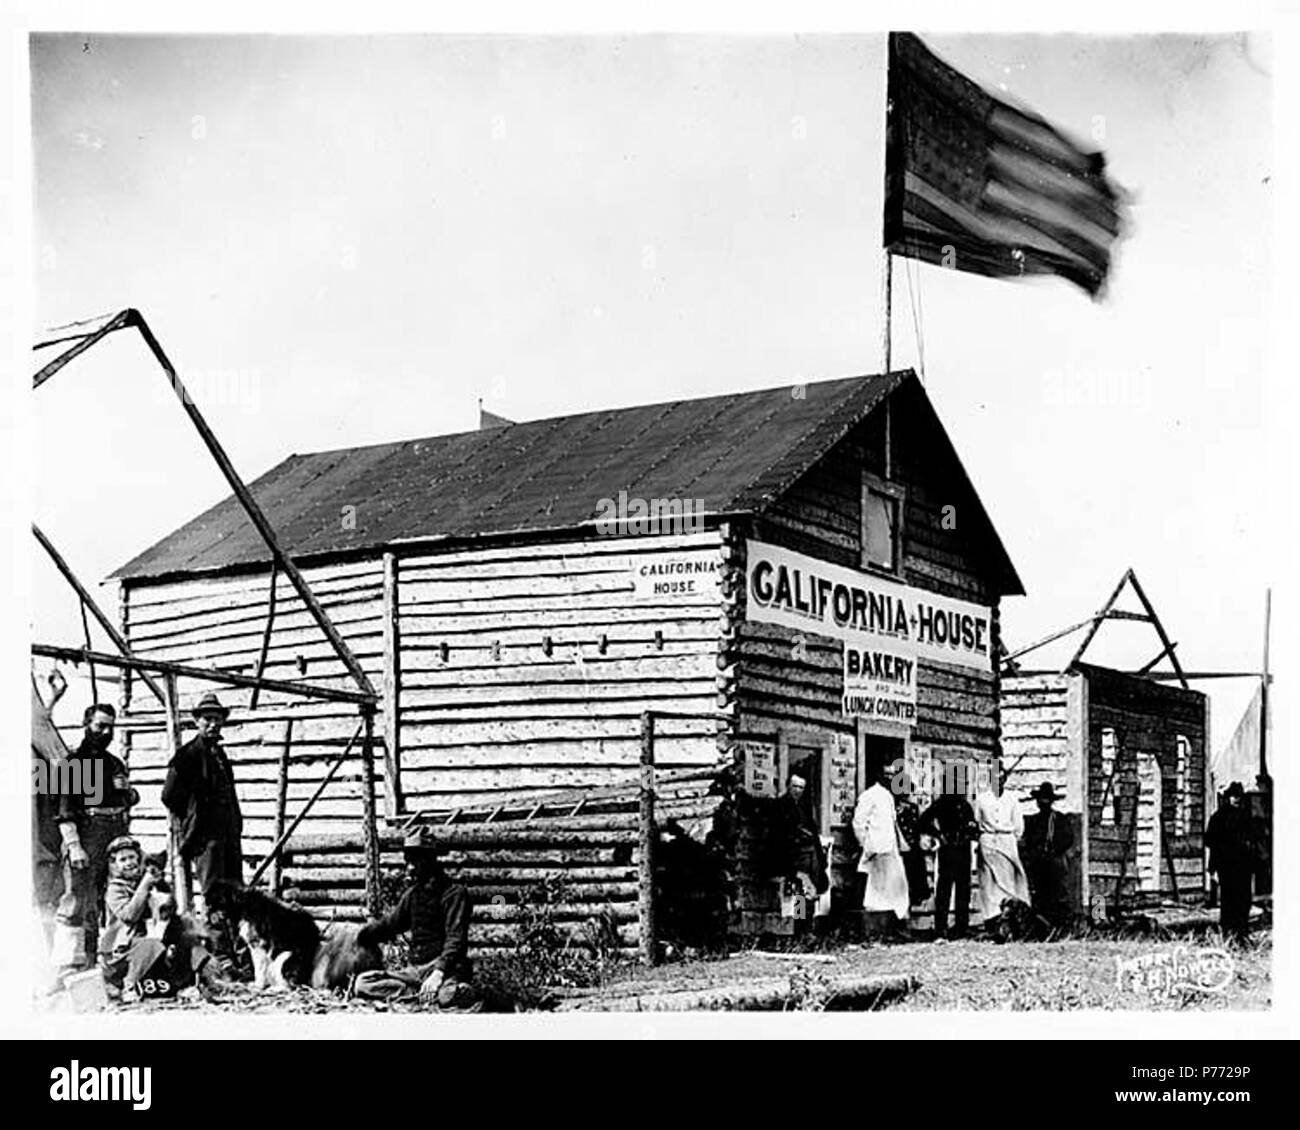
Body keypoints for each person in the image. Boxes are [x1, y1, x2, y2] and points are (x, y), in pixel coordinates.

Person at [51, 703, 140, 977]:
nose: (106, 732)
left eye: (111, 727)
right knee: (78, 898)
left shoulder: (114, 763)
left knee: (113, 897)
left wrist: (129, 793)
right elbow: (64, 809)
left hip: (115, 835)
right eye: (100, 726)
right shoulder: (73, 763)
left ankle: (109, 962)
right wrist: (74, 845)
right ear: (86, 724)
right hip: (87, 835)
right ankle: (70, 965)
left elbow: (125, 801)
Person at [352, 831, 478, 1009]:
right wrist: (361, 934)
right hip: (414, 971)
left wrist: (438, 973)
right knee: (362, 983)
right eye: (408, 860)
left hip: (444, 968)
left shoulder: (454, 894)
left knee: (449, 996)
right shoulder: (412, 895)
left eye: (416, 860)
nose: (410, 867)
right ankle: (420, 995)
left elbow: (456, 940)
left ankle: (445, 992)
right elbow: (390, 925)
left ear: (431, 860)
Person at [98, 835, 223, 1002]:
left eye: (132, 858)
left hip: (150, 940)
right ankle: (130, 985)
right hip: (123, 949)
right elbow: (129, 915)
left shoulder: (148, 880)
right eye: (123, 860)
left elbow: (170, 910)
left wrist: (161, 885)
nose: (129, 863)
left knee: (188, 939)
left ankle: (203, 980)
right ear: (115, 864)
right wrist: (145, 885)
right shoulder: (115, 889)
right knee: (152, 944)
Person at [162, 693, 243, 906]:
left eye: (217, 719)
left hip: (229, 836)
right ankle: (213, 938)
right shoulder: (188, 755)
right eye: (207, 719)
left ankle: (230, 938)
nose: (213, 724)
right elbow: (169, 795)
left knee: (235, 892)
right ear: (197, 721)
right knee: (214, 895)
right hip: (206, 839)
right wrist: (193, 816)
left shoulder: (219, 754)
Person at [851, 764, 910, 934]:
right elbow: (859, 823)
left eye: (893, 775)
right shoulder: (869, 795)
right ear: (879, 775)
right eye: (887, 775)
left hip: (890, 850)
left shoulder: (889, 797)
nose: (890, 778)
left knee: (897, 887)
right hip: (875, 850)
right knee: (875, 892)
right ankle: (876, 929)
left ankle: (895, 926)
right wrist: (867, 844)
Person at [918, 787, 979, 939]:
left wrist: (971, 830)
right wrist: (939, 835)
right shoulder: (941, 804)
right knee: (944, 889)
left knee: (963, 888)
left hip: (963, 849)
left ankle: (961, 927)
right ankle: (941, 928)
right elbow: (923, 822)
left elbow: (973, 826)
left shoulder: (965, 806)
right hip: (948, 849)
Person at [974, 771, 1029, 923]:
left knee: (1007, 880)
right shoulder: (982, 799)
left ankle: (1009, 919)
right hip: (988, 840)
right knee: (989, 882)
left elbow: (1018, 826)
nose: (998, 782)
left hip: (1006, 841)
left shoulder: (1012, 800)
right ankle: (992, 920)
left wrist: (1010, 839)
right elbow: (977, 821)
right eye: (995, 778)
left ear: (1005, 780)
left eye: (1001, 779)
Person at [1205, 781, 1256, 943]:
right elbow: (1211, 843)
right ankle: (1228, 935)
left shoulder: (1245, 818)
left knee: (1244, 900)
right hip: (1226, 866)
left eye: (1239, 797)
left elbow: (1254, 842)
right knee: (1228, 900)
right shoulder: (1218, 817)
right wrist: (1212, 869)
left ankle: (1241, 933)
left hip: (1243, 866)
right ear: (1227, 797)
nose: (1236, 800)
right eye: (1233, 796)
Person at [1021, 782, 1075, 931]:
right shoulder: (1032, 821)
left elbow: (1067, 839)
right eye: (1040, 800)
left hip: (1054, 862)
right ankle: (1042, 927)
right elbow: (1027, 841)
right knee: (1039, 894)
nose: (1043, 803)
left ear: (1051, 801)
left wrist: (1053, 850)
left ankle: (1059, 926)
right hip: (1037, 863)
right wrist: (1034, 853)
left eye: (1046, 799)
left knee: (1056, 894)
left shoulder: (1059, 819)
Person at [772, 773, 828, 898]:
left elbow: (813, 834)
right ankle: (797, 916)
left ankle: (806, 915)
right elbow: (778, 835)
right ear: (788, 787)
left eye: (801, 787)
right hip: (792, 858)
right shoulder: (780, 806)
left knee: (809, 892)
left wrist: (821, 859)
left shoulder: (805, 807)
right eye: (795, 786)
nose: (798, 790)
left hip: (809, 857)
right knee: (795, 894)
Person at [894, 786, 931, 910]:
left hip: (914, 849)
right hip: (901, 849)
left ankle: (915, 899)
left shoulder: (914, 808)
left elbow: (919, 826)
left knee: (916, 879)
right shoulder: (894, 808)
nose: (906, 794)